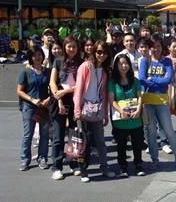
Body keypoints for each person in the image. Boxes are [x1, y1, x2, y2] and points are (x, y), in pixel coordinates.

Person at [139, 35, 176, 170]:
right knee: (151, 132)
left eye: (158, 46)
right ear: (149, 48)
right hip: (147, 101)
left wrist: (152, 79)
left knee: (169, 131)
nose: (155, 49)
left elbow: (168, 80)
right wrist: (158, 80)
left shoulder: (167, 62)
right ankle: (154, 159)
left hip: (162, 101)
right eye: (152, 47)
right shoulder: (144, 61)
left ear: (162, 47)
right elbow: (141, 79)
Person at [73, 40, 116, 182]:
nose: (101, 55)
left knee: (100, 141)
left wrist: (105, 113)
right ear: (93, 52)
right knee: (83, 142)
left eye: (104, 52)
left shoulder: (104, 71)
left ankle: (104, 167)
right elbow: (78, 90)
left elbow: (103, 93)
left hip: (97, 109)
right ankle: (83, 170)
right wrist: (77, 110)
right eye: (98, 52)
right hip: (84, 109)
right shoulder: (85, 67)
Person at [49, 35, 83, 181]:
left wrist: (66, 91)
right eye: (69, 46)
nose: (71, 49)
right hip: (58, 101)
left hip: (75, 100)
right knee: (58, 136)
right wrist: (59, 99)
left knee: (74, 135)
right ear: (64, 47)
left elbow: (81, 85)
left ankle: (74, 163)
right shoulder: (58, 61)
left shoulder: (82, 63)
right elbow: (52, 82)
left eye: (74, 46)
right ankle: (56, 167)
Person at [109, 54, 145, 177]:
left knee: (137, 143)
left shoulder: (135, 81)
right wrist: (121, 111)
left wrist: (139, 109)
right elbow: (112, 100)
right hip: (121, 119)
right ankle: (123, 166)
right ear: (116, 66)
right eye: (120, 64)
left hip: (135, 118)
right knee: (121, 145)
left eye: (126, 63)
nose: (123, 66)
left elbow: (140, 96)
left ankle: (138, 164)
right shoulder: (112, 82)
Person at [16, 46, 51, 171]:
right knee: (28, 135)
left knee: (45, 135)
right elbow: (19, 91)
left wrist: (49, 99)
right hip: (29, 107)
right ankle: (25, 159)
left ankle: (42, 158)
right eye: (35, 55)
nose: (37, 57)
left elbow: (53, 88)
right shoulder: (25, 72)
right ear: (31, 57)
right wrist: (32, 99)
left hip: (44, 107)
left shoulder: (48, 72)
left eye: (39, 54)